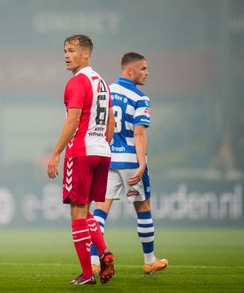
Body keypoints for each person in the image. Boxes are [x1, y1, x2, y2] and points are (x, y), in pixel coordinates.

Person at [90, 52, 168, 275]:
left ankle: (94, 261)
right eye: (143, 68)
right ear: (130, 71)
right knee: (143, 209)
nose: (147, 73)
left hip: (107, 159)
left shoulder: (104, 93)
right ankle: (149, 259)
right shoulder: (139, 98)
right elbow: (139, 133)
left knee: (100, 212)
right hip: (131, 161)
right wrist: (141, 163)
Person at [47, 34, 116, 285]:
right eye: (64, 50)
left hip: (81, 151)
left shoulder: (77, 82)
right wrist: (100, 142)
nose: (66, 55)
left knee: (77, 213)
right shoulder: (102, 82)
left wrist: (56, 153)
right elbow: (112, 123)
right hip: (102, 152)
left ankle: (87, 274)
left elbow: (73, 120)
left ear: (86, 54)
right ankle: (105, 253)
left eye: (72, 50)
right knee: (86, 211)